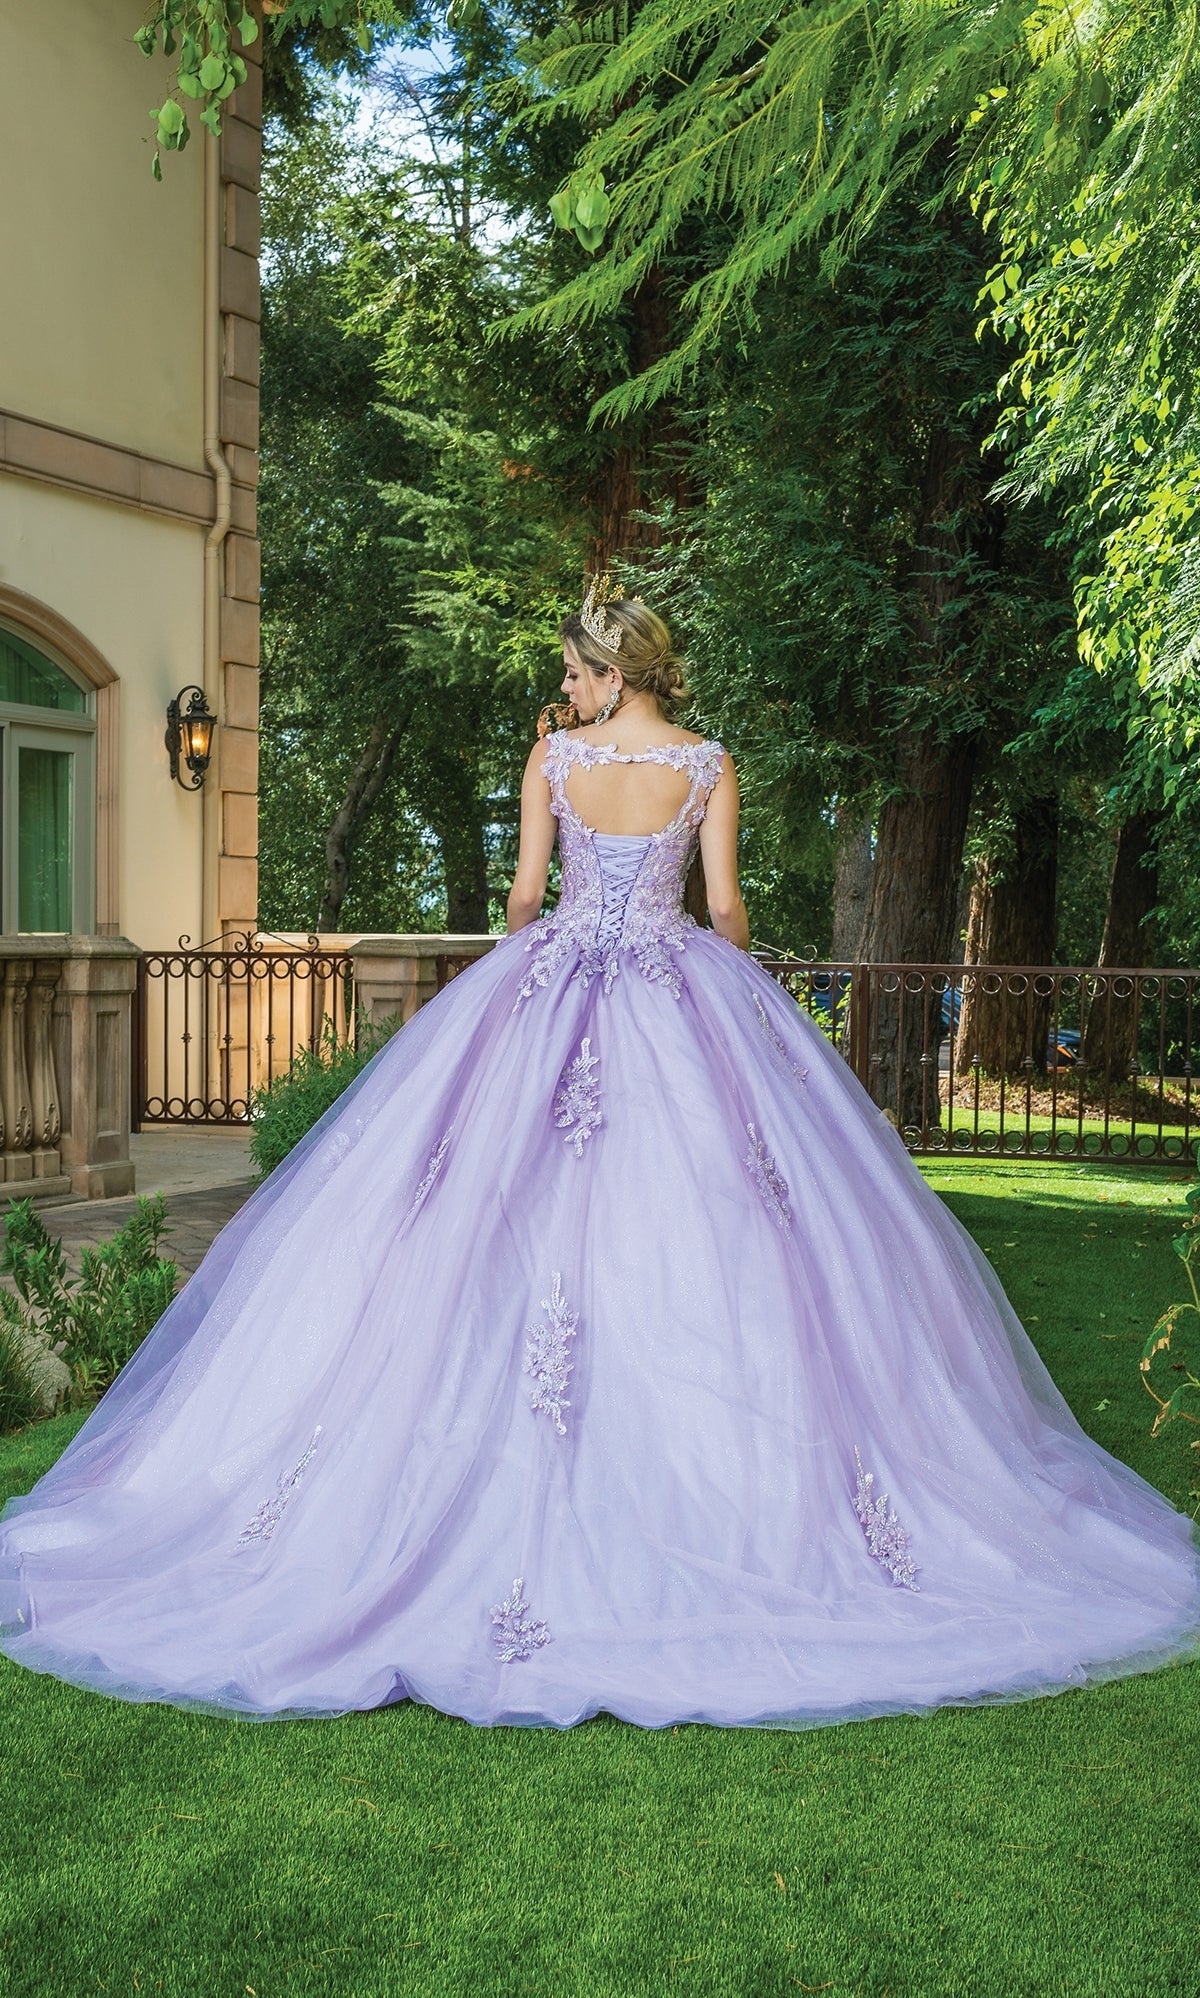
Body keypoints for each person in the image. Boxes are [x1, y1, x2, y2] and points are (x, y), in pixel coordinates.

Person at [1, 585, 1197, 1729]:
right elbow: (724, 912)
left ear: (611, 670)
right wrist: (717, 966)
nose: (563, 692)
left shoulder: (557, 762)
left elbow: (526, 899)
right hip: (681, 996)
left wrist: (550, 919)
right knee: (725, 1225)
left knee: (482, 1209)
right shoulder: (708, 763)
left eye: (573, 673)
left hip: (554, 989)